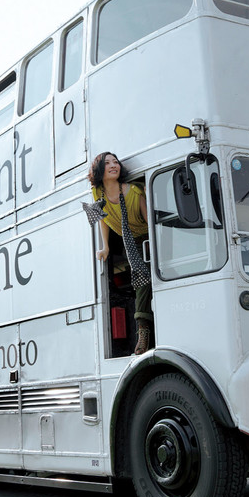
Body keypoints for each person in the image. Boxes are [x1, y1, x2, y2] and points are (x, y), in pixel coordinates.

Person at [88, 152, 153, 355]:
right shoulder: (97, 193)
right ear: (100, 170)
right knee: (140, 280)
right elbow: (102, 219)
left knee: (144, 279)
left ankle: (143, 330)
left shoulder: (133, 191)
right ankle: (144, 328)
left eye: (115, 162)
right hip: (129, 242)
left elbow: (148, 219)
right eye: (108, 163)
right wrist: (106, 247)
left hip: (146, 238)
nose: (114, 165)